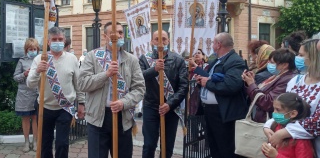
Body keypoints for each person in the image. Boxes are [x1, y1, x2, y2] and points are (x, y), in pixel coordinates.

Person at [78, 21, 145, 158]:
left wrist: (124, 102)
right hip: (98, 117)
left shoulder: (131, 60)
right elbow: (82, 84)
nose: (118, 36)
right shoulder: (92, 56)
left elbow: (139, 88)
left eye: (120, 32)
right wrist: (106, 74)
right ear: (105, 36)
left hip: (123, 117)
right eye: (113, 33)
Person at [27, 27, 85, 158]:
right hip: (44, 107)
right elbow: (30, 84)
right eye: (54, 39)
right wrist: (37, 71)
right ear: (48, 42)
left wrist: (82, 103)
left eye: (60, 39)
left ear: (64, 41)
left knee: (62, 143)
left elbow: (78, 83)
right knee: (45, 143)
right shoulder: (39, 59)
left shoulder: (71, 59)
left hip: (65, 108)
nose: (57, 42)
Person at [194, 32, 248, 158]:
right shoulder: (217, 60)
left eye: (213, 43)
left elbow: (232, 85)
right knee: (214, 147)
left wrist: (207, 84)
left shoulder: (235, 61)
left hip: (224, 113)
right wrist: (201, 80)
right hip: (211, 112)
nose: (212, 45)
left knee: (225, 149)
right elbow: (211, 78)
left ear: (218, 44)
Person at [264, 39, 320, 155]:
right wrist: (269, 126)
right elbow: (283, 109)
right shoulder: (296, 81)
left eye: (301, 55)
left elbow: (316, 123)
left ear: (315, 57)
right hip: (289, 146)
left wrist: (284, 132)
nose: (297, 58)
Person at [139, 30, 188, 158]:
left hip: (170, 108)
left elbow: (183, 86)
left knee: (167, 147)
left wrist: (170, 104)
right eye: (157, 39)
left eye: (164, 39)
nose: (161, 42)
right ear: (151, 41)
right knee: (149, 145)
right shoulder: (144, 59)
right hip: (151, 106)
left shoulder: (178, 60)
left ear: (169, 41)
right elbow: (139, 78)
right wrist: (154, 70)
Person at [242, 48, 296, 123]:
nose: (269, 64)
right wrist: (251, 81)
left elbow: (268, 102)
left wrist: (251, 84)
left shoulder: (287, 80)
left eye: (272, 62)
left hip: (269, 121)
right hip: (261, 118)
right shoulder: (276, 76)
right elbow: (260, 91)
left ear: (285, 65)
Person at [261, 93, 314, 158]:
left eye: (278, 110)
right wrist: (266, 149)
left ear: (293, 113)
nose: (274, 112)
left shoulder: (300, 137)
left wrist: (276, 156)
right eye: (274, 109)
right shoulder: (277, 126)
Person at [13, 38, 39, 152]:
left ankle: (36, 142)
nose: (33, 51)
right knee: (25, 118)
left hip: (37, 93)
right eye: (30, 49)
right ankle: (26, 142)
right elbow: (15, 77)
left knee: (36, 118)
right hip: (24, 94)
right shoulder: (21, 61)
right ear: (26, 50)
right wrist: (24, 74)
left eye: (35, 49)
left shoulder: (40, 60)